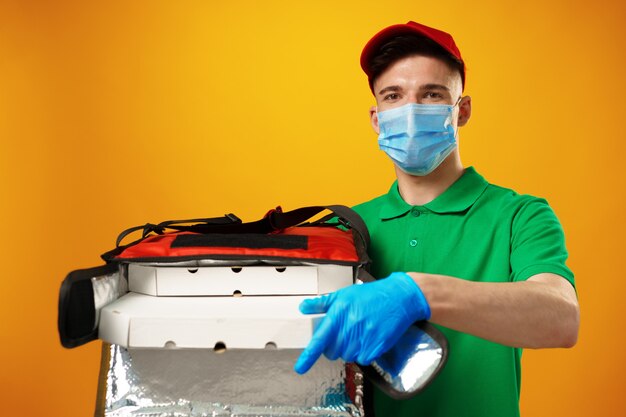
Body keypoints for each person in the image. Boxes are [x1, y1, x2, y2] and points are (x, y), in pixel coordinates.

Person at [294, 21, 580, 417]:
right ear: (377, 119)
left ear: (461, 111)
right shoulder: (344, 230)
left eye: (431, 94)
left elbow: (561, 319)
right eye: (394, 96)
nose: (410, 111)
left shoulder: (519, 215)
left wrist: (418, 294)